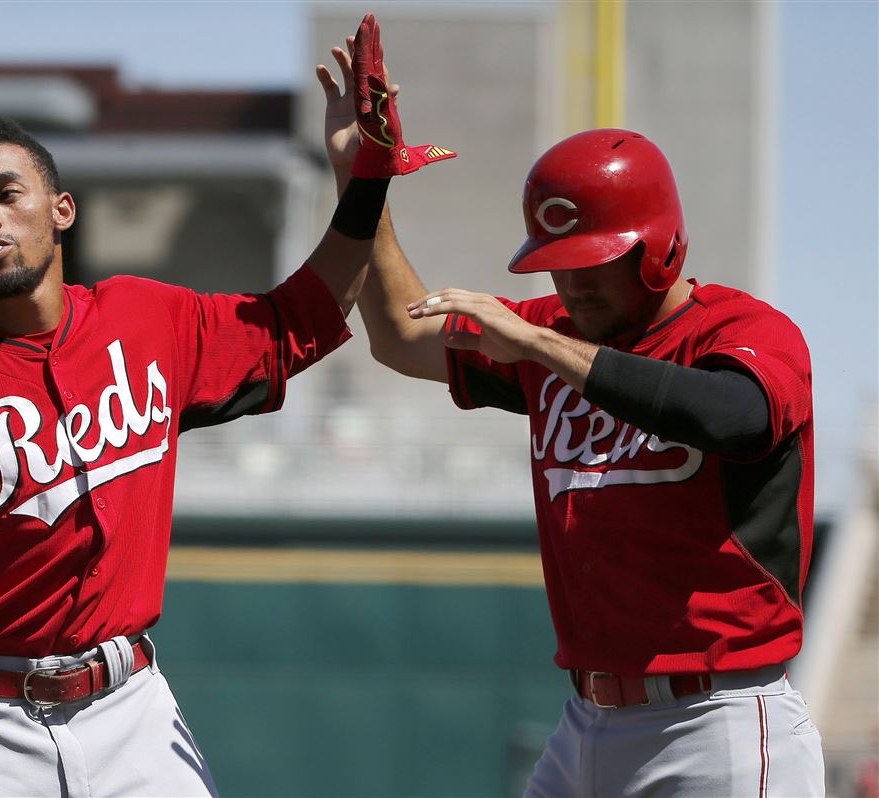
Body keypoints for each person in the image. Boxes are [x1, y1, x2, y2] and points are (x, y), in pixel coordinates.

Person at [0, 15, 453, 798]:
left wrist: (365, 179)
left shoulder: (145, 320)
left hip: (134, 706)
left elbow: (298, 319)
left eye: (6, 193)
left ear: (61, 210)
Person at [317, 22, 826, 798]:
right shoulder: (548, 334)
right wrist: (368, 187)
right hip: (586, 724)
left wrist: (536, 347)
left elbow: (737, 417)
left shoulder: (741, 331)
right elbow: (395, 337)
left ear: (660, 249)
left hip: (718, 719)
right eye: (558, 268)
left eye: (595, 265)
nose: (572, 288)